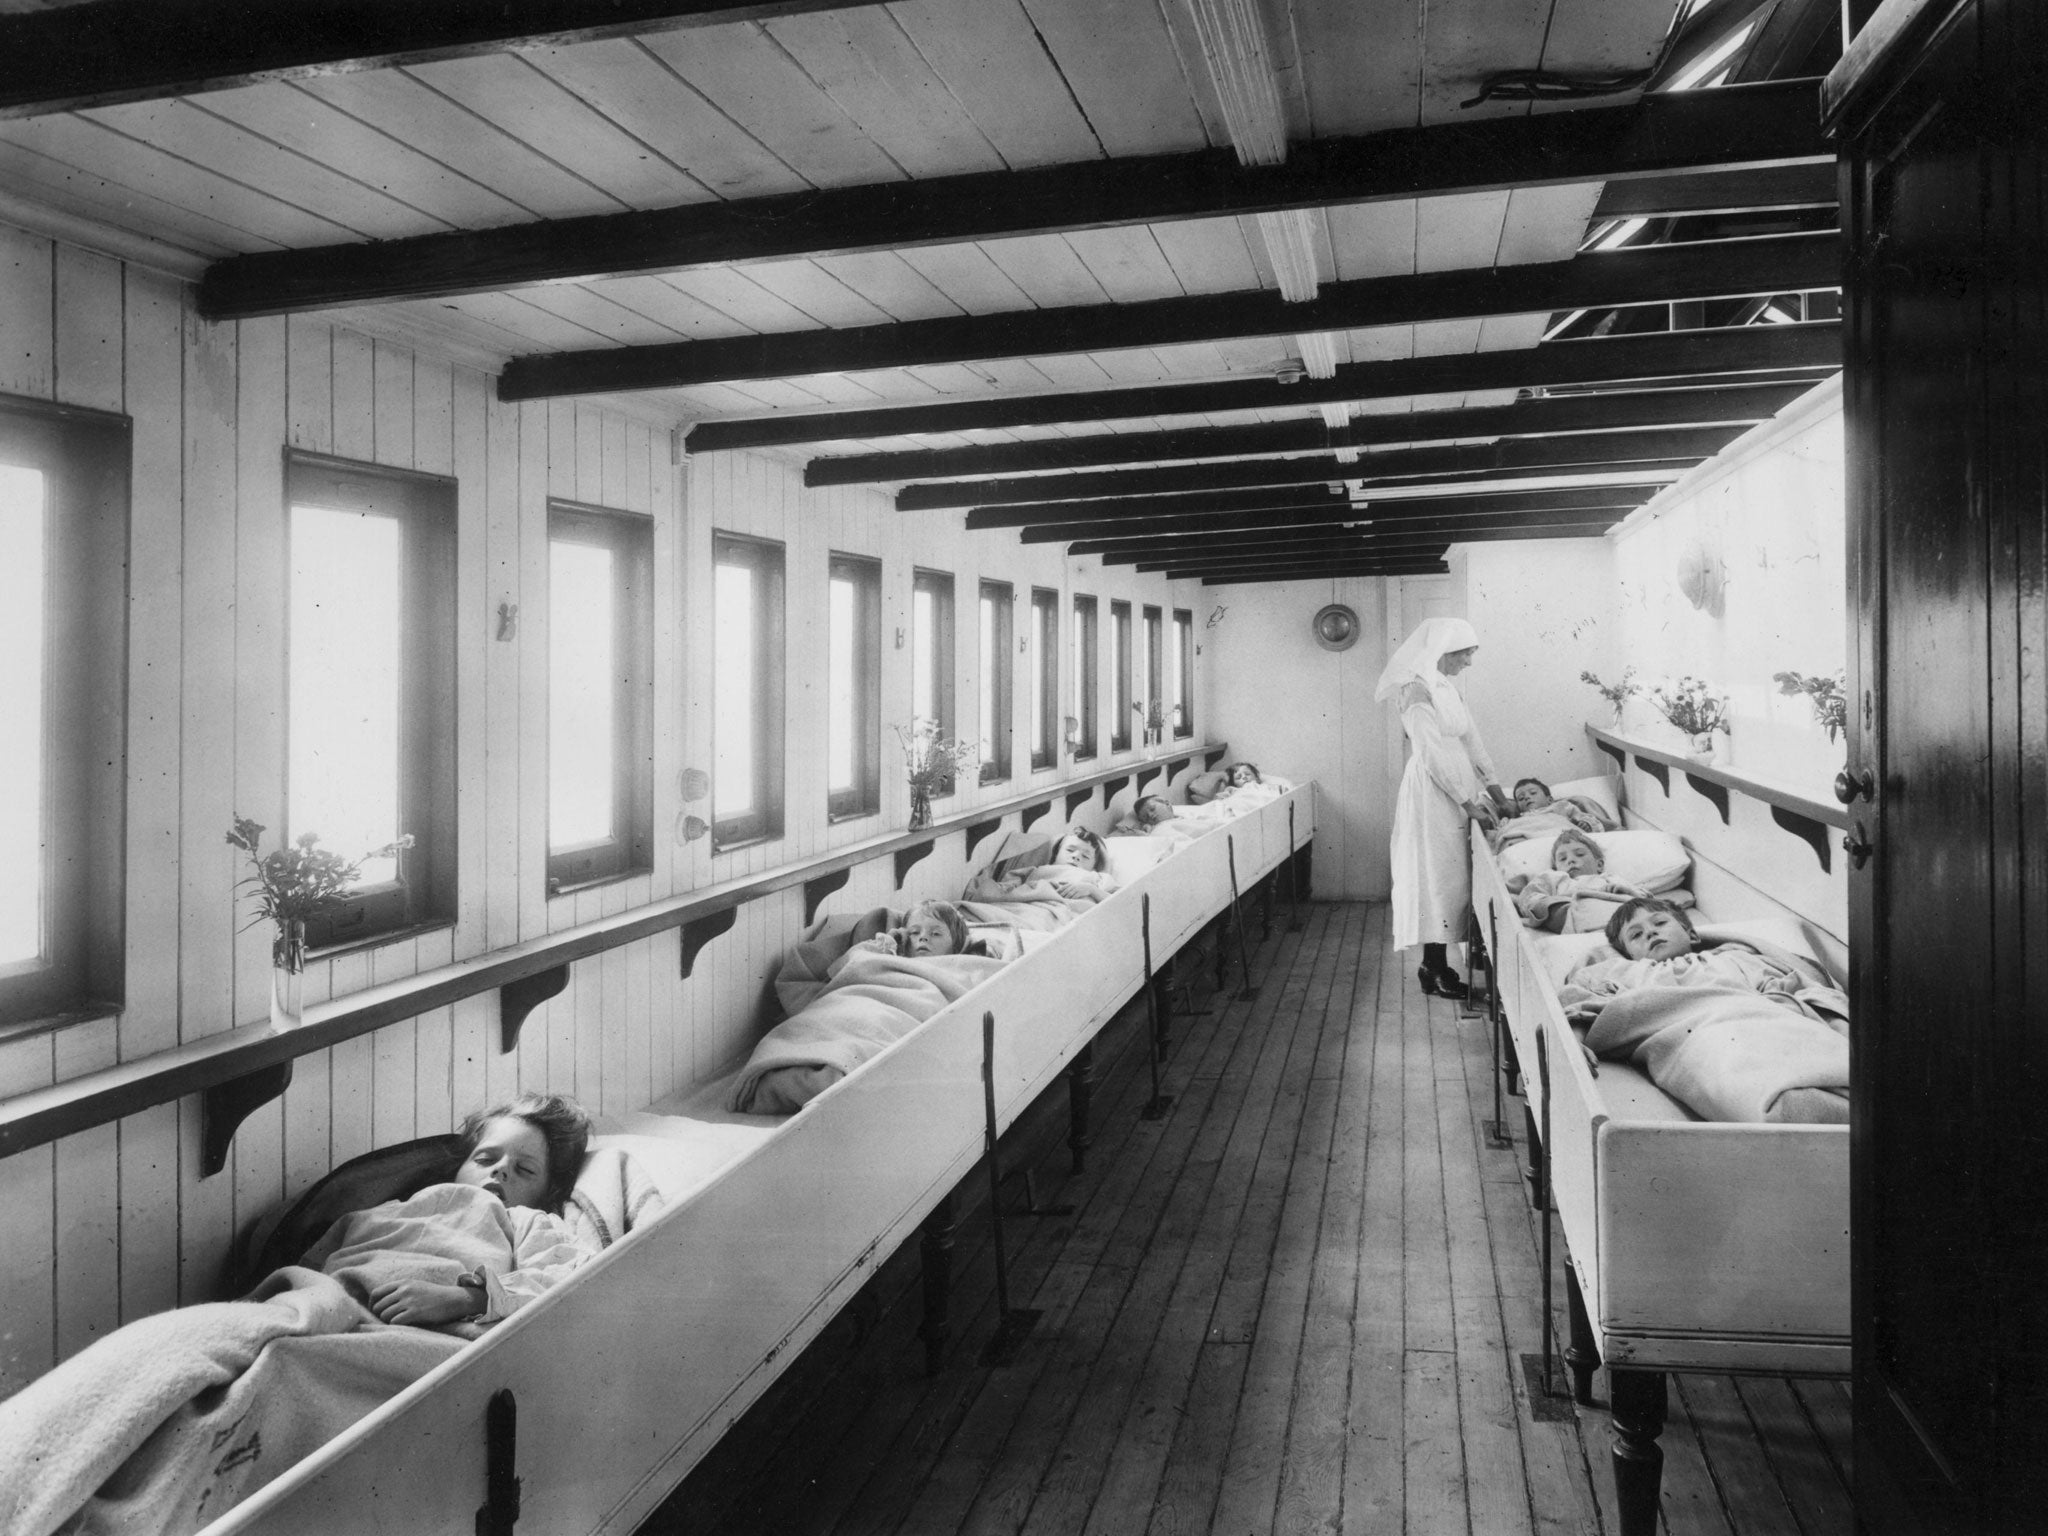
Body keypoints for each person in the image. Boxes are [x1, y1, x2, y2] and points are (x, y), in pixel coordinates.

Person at [299, 1092, 596, 1329]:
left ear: (547, 1193)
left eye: (525, 1169)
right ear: (460, 1165)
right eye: (484, 1159)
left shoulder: (527, 1221)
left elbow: (564, 1286)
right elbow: (313, 1264)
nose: (501, 1169)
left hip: (416, 1334)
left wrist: (463, 1298)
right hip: (331, 1308)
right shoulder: (397, 1207)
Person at [1377, 616, 1507, 999]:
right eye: (1465, 653)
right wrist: (1468, 804)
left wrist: (1498, 795)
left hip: (1459, 785)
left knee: (1459, 879)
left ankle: (1445, 963)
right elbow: (1432, 754)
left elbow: (1473, 742)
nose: (1469, 661)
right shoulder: (1414, 690)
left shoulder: (1447, 688)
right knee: (1437, 878)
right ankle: (1432, 968)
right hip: (1433, 792)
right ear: (1443, 651)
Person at [1509, 829, 1650, 933]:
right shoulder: (1553, 877)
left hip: (1615, 911)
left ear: (1599, 865)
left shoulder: (1610, 878)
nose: (1570, 860)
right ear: (1556, 867)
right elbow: (1530, 896)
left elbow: (1644, 897)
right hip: (1574, 910)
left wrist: (1625, 890)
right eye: (1562, 859)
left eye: (1580, 854)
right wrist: (1553, 902)